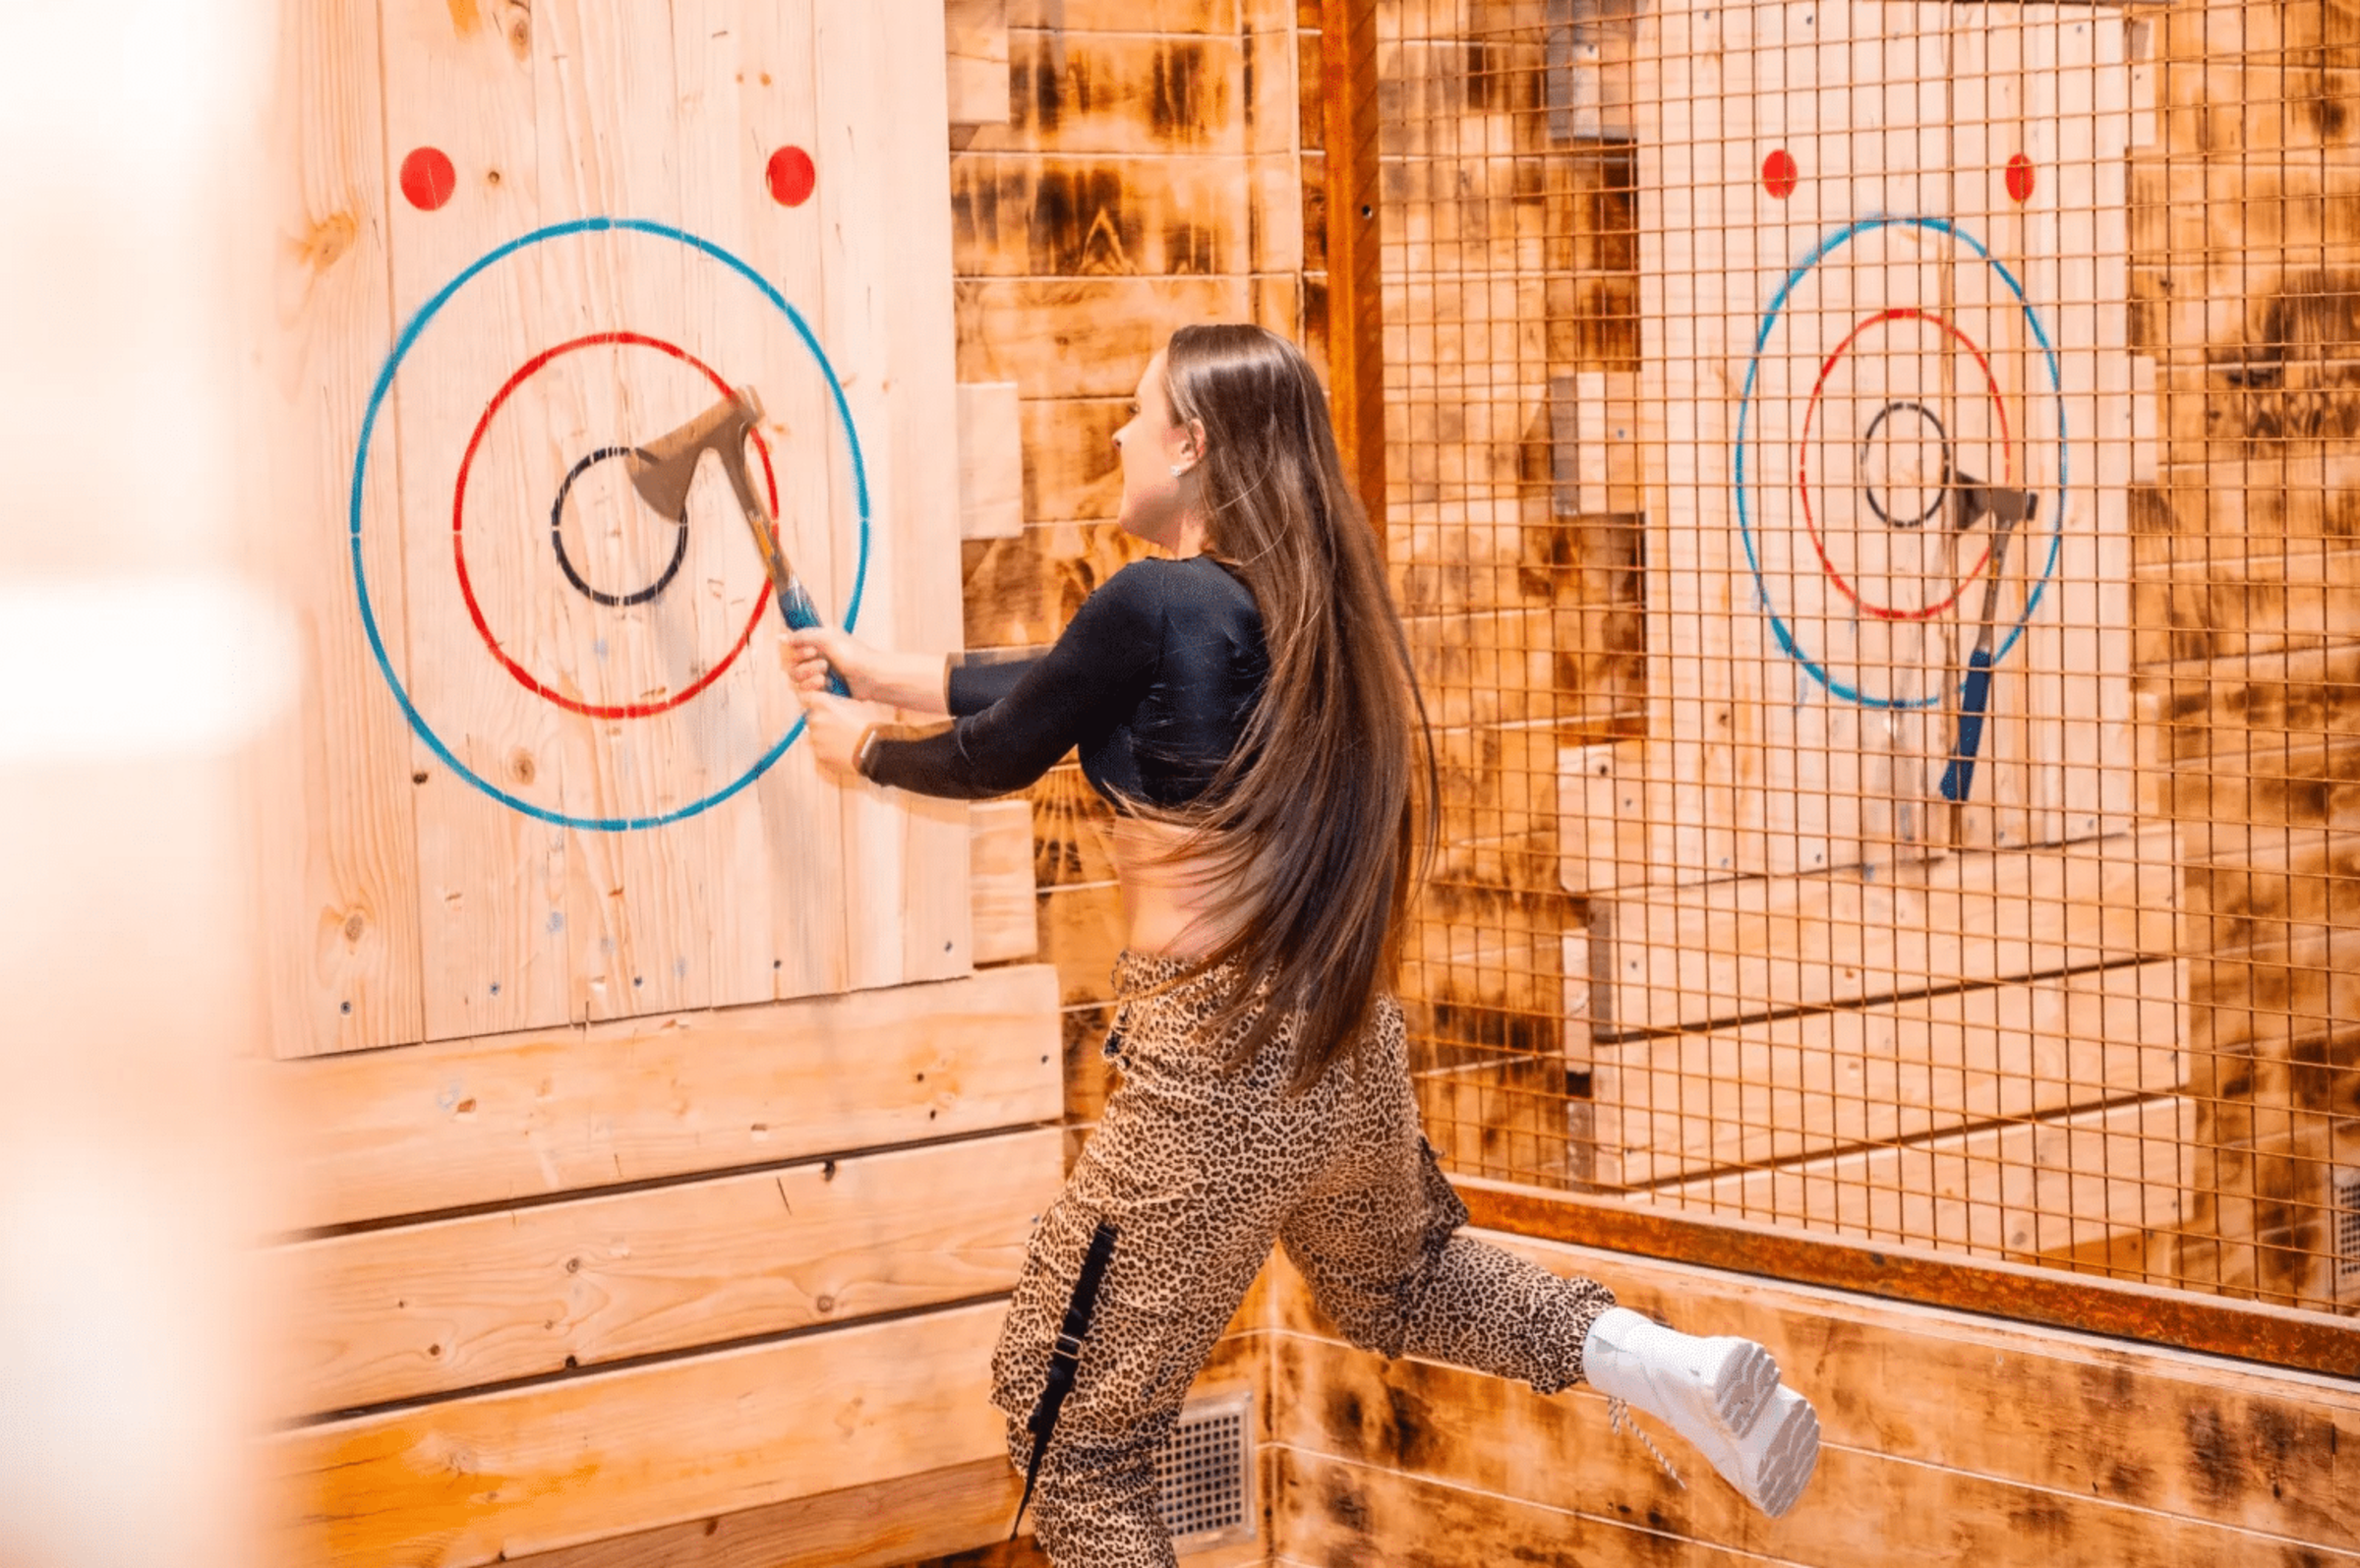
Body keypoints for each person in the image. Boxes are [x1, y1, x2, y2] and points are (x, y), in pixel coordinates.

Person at [787, 323, 1818, 1565]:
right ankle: (1661, 1358)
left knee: (1072, 1438)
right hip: (1342, 1053)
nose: (1116, 434)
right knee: (1408, 1279)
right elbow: (1047, 678)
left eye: (1135, 411)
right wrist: (870, 669)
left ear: (1192, 441)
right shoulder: (1307, 611)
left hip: (1213, 1073)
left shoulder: (1155, 600)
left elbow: (1006, 744)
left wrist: (857, 750)